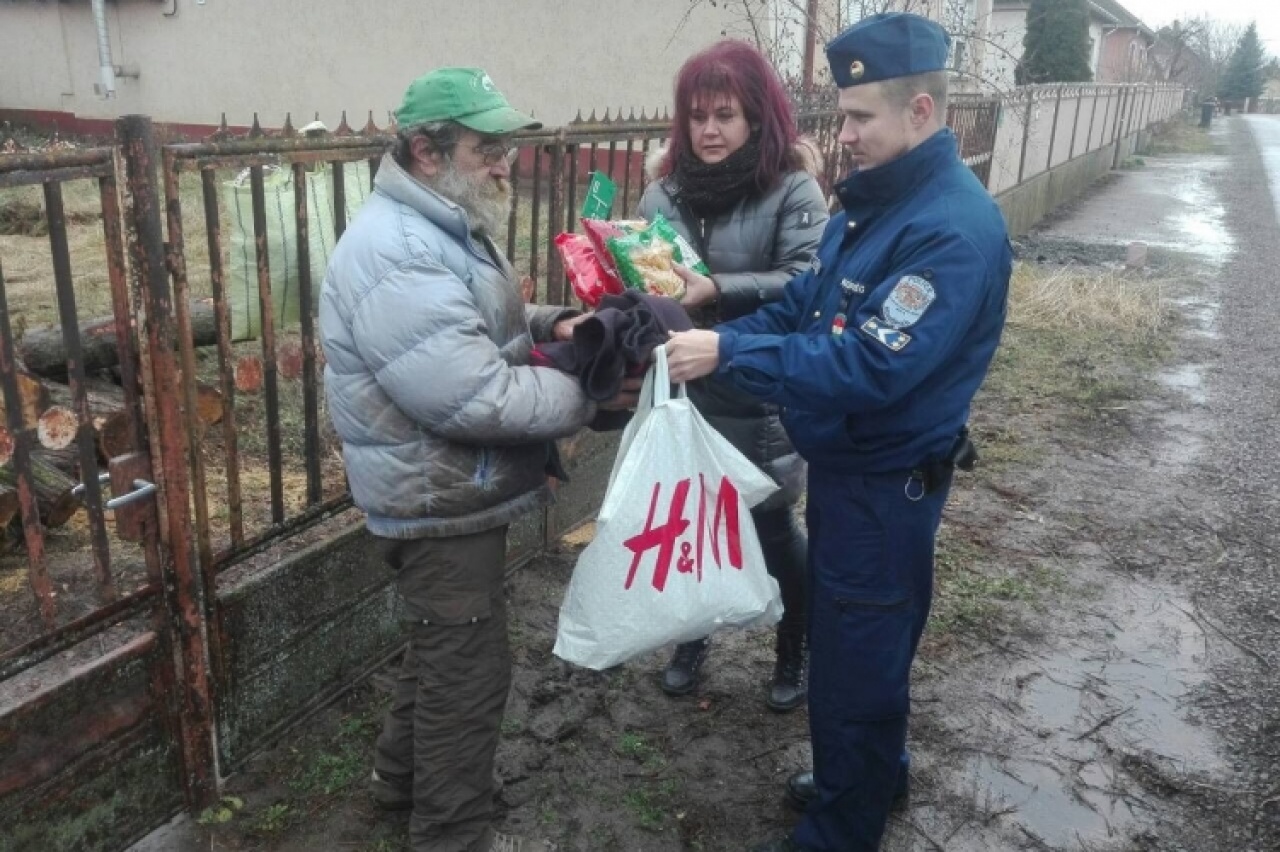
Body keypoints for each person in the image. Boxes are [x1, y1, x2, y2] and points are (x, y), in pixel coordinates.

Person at [664, 14, 1012, 851]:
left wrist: (727, 352)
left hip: (886, 486)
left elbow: (866, 365)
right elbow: (806, 305)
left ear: (921, 112)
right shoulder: (876, 205)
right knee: (862, 648)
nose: (842, 133)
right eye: (843, 114)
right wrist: (725, 321)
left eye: (860, 118)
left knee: (856, 662)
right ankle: (868, 775)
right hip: (857, 476)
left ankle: (840, 827)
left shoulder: (947, 231)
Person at [319, 67, 635, 852]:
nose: (506, 164)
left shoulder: (436, 225)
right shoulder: (397, 252)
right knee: (467, 675)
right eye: (488, 148)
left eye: (506, 148)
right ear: (427, 150)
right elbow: (473, 396)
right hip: (435, 504)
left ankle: (398, 784)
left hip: (446, 494)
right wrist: (594, 400)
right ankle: (451, 834)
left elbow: (472, 320)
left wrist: (558, 325)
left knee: (443, 650)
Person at [637, 39, 829, 710]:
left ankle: (794, 646)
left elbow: (811, 281)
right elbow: (647, 278)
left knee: (773, 532)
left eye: (725, 115)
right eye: (697, 116)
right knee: (692, 527)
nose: (709, 130)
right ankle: (694, 635)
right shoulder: (661, 190)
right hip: (686, 392)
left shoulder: (791, 188)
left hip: (757, 388)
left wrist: (716, 288)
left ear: (756, 117)